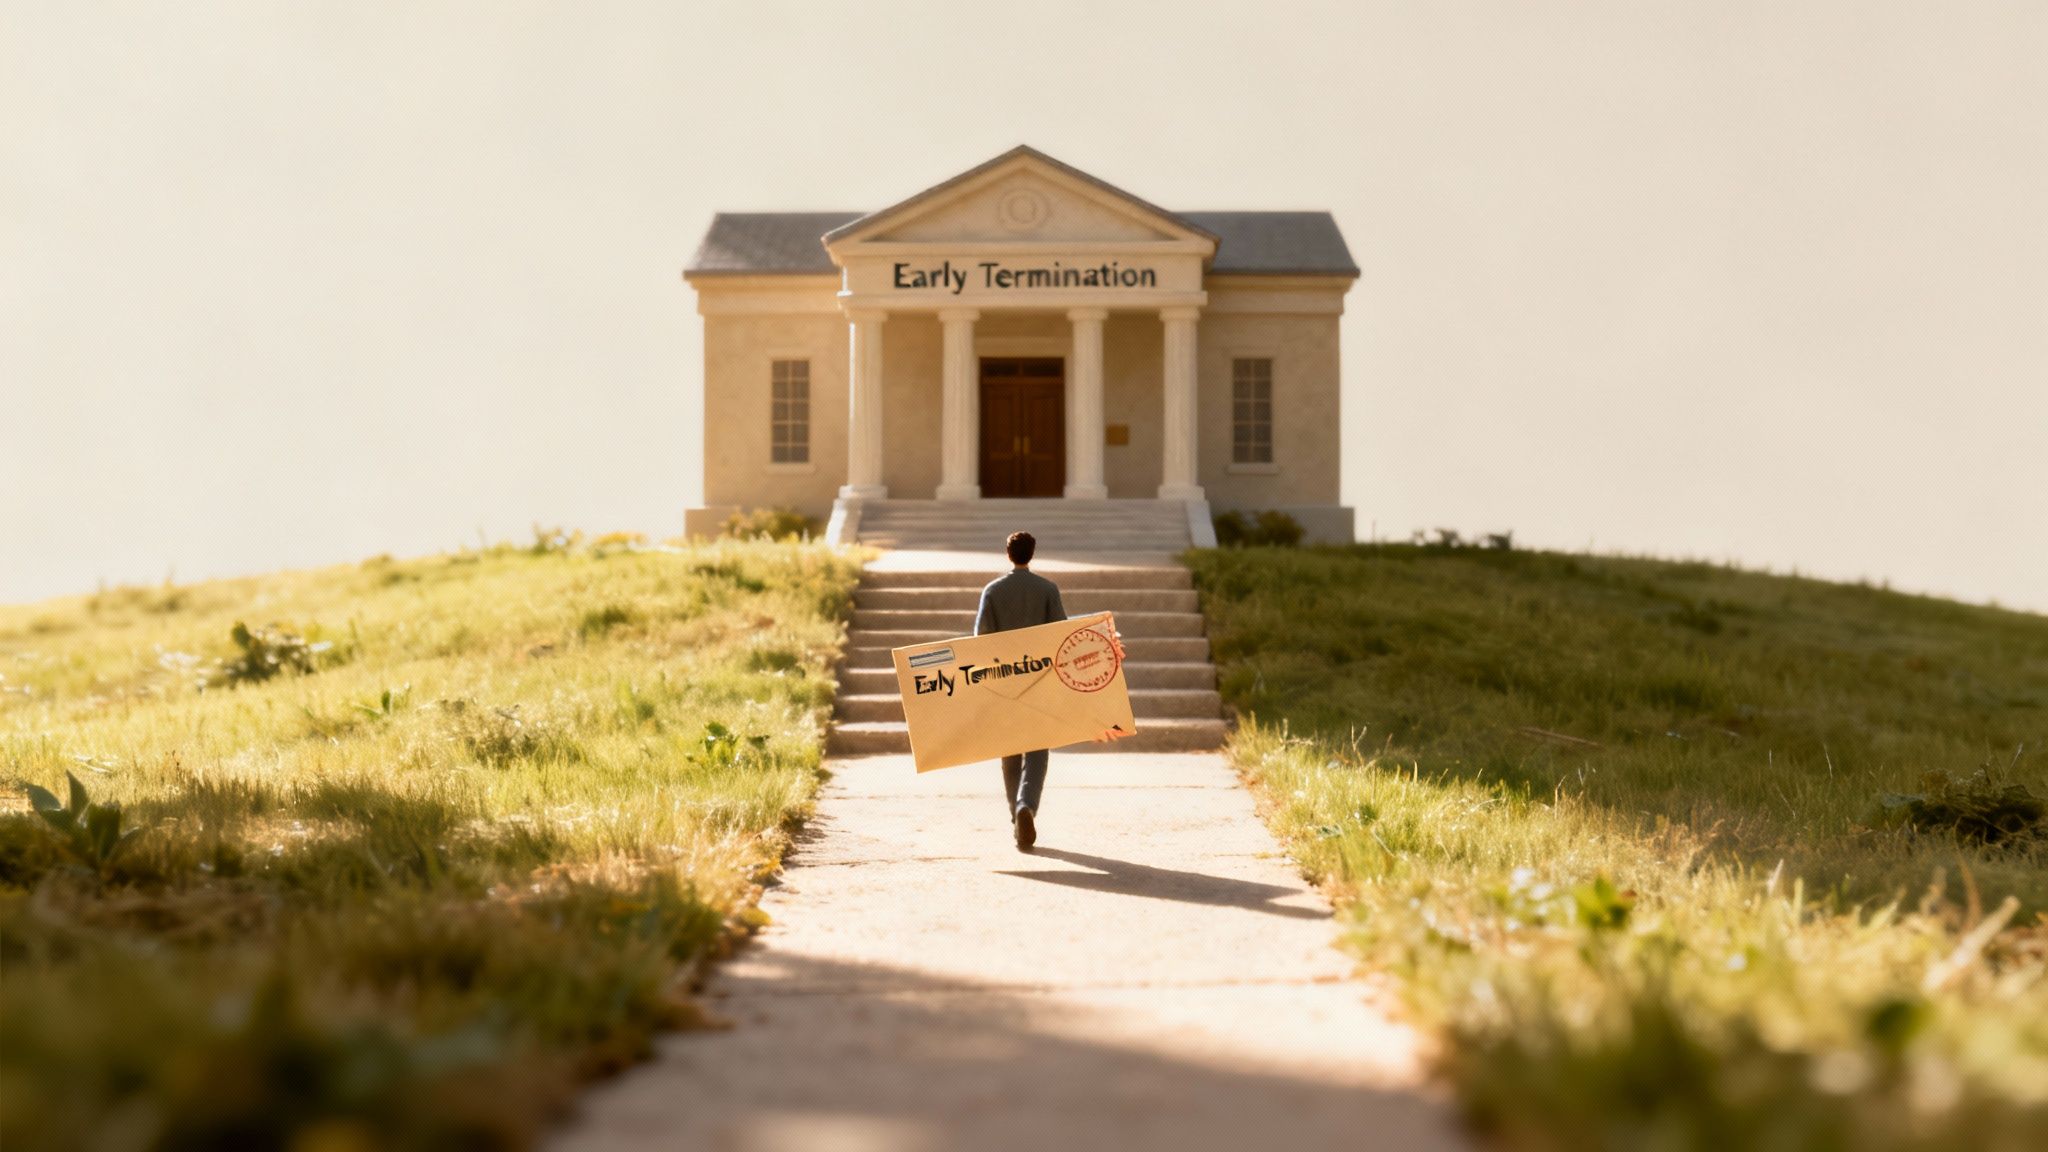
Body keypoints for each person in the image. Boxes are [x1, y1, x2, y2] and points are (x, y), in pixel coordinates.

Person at [974, 531, 1065, 852]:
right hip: (1038, 684)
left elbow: (981, 639)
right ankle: (1027, 805)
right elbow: (1061, 637)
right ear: (1032, 553)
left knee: (1010, 754)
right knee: (1038, 753)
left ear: (1008, 554)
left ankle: (1016, 814)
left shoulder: (993, 591)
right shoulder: (1047, 590)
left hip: (1003, 685)